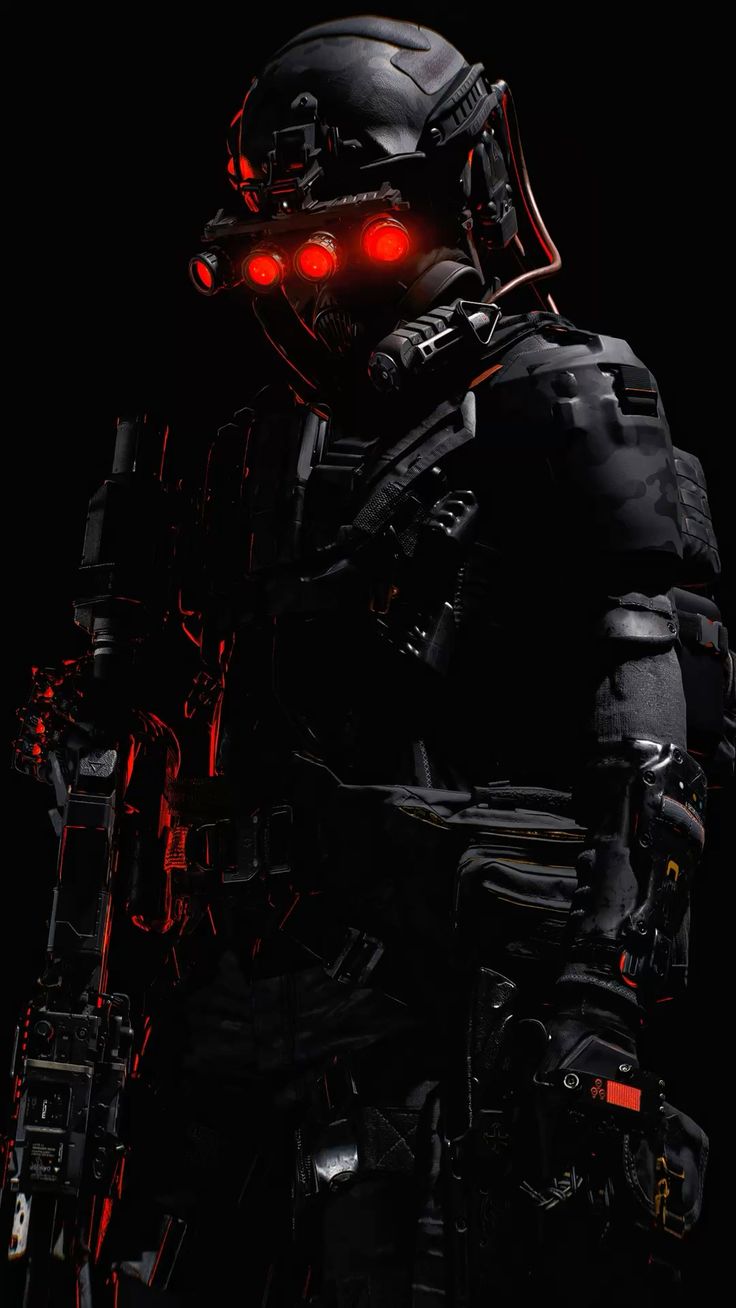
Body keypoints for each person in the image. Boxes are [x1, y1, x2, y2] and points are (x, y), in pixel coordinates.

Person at [7, 15, 732, 1306]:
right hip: (227, 1020)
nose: (307, 287)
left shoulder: (559, 396)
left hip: (443, 1009)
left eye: (349, 238)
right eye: (274, 251)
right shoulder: (250, 454)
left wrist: (601, 991)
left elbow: (656, 721)